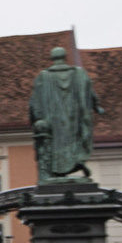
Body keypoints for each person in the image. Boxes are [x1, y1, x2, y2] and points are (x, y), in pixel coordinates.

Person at [28, 46, 103, 181]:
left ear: (52, 58)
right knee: (74, 142)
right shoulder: (78, 74)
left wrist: (35, 120)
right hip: (74, 122)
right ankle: (76, 161)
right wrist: (97, 106)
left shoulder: (43, 77)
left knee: (53, 144)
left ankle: (56, 169)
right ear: (64, 57)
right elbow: (89, 92)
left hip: (53, 126)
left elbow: (34, 103)